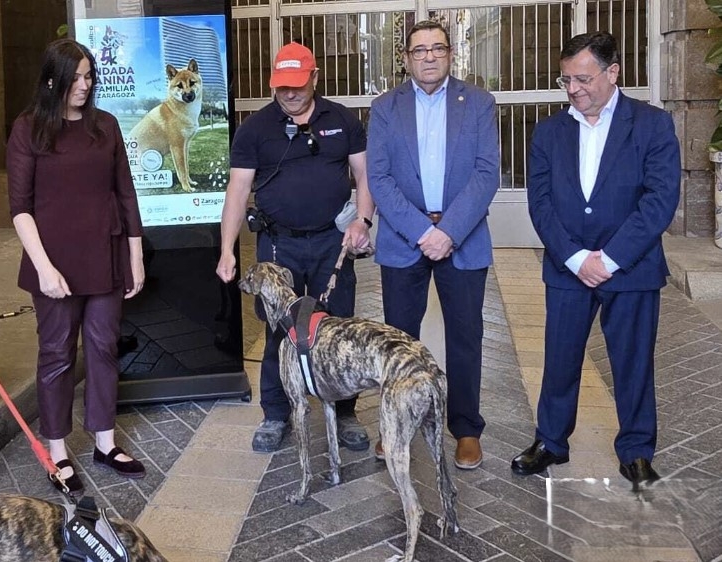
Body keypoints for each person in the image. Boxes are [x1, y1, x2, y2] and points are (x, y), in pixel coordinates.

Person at [511, 32, 679, 486]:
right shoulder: (548, 132)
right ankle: (551, 441)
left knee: (632, 361)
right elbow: (540, 203)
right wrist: (574, 257)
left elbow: (660, 201)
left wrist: (611, 258)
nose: (574, 89)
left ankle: (636, 450)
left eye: (583, 78)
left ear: (613, 73)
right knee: (560, 358)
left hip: (632, 268)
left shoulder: (652, 124)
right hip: (569, 269)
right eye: (566, 79)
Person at [216, 42, 375, 453]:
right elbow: (237, 190)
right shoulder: (255, 129)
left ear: (315, 78)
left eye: (298, 85)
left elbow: (365, 175)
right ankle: (276, 412)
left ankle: (344, 412)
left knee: (338, 331)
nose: (290, 93)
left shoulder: (342, 119)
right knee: (278, 332)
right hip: (277, 245)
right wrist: (227, 250)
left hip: (330, 243)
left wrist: (363, 219)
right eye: (282, 86)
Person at [6, 38, 146, 492]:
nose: (85, 85)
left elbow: (126, 193)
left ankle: (105, 442)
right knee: (57, 355)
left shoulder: (105, 125)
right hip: (55, 264)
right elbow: (20, 207)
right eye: (77, 77)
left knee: (104, 348)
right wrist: (43, 268)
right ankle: (58, 451)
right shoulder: (28, 130)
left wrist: (135, 255)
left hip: (105, 256)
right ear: (52, 80)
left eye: (89, 76)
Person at [367, 20, 499, 470]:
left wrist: (449, 232)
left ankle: (465, 429)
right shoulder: (385, 108)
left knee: (466, 336)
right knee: (400, 341)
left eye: (437, 48)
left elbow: (486, 174)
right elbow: (379, 179)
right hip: (405, 240)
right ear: (405, 58)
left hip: (461, 237)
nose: (428, 56)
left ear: (450, 54)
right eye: (419, 50)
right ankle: (397, 424)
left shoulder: (479, 103)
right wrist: (424, 233)